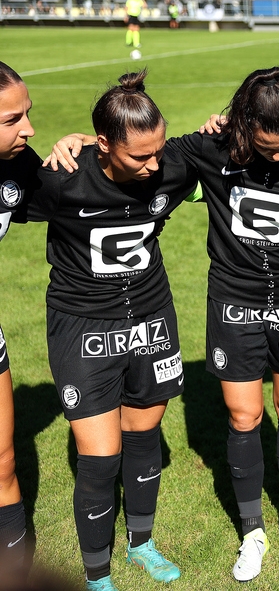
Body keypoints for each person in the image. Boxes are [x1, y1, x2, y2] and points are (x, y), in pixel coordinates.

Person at [55, 67, 279, 583]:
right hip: (233, 302)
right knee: (244, 418)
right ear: (242, 126)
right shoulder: (208, 149)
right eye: (268, 147)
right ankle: (252, 531)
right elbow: (131, 151)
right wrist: (82, 139)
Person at [27, 71, 193, 591]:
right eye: (140, 156)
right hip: (83, 327)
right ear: (103, 144)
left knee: (143, 435)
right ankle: (97, 574)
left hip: (152, 318)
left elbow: (229, 139)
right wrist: (67, 140)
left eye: (158, 151)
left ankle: (141, 543)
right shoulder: (60, 179)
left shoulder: (171, 168)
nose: (154, 166)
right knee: (99, 459)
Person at [0, 61, 36, 578]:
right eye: (11, 119)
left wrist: (81, 146)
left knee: (3, 464)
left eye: (27, 114)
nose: (28, 128)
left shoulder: (17, 167)